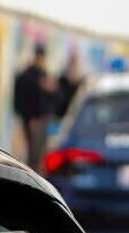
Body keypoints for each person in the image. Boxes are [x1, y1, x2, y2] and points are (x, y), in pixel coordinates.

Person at [14, 43, 55, 173]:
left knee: (38, 154)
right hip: (34, 120)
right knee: (34, 155)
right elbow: (26, 99)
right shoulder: (30, 76)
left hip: (40, 120)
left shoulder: (42, 75)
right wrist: (31, 118)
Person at [55, 51, 84, 119]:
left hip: (75, 117)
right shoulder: (62, 81)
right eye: (71, 64)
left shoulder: (81, 83)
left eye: (75, 64)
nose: (73, 67)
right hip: (60, 117)